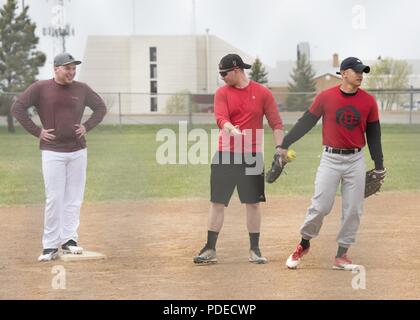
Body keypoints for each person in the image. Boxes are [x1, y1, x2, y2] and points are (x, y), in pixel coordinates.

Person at [278, 57, 385, 270]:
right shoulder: (326, 97)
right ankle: (304, 243)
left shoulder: (368, 101)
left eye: (362, 71)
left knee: (353, 209)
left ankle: (342, 255)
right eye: (356, 71)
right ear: (343, 73)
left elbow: (374, 135)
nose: (360, 75)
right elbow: (306, 122)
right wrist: (284, 143)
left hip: (356, 159)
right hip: (330, 159)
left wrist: (379, 164)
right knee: (320, 206)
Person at [11, 52, 107, 262]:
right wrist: (38, 132)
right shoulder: (40, 88)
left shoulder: (82, 89)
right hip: (52, 151)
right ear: (56, 69)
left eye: (74, 68)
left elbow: (101, 108)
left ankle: (69, 240)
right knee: (54, 198)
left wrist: (87, 126)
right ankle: (49, 245)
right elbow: (17, 107)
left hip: (78, 150)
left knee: (73, 197)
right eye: (67, 68)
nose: (71, 72)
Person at [193, 54, 284, 265]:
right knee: (217, 202)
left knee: (252, 204)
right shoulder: (221, 93)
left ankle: (255, 250)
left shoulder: (262, 93)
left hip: (252, 156)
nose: (222, 77)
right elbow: (220, 118)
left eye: (224, 73)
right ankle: (210, 249)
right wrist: (231, 129)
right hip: (225, 155)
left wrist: (279, 149)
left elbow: (276, 123)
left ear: (236, 70)